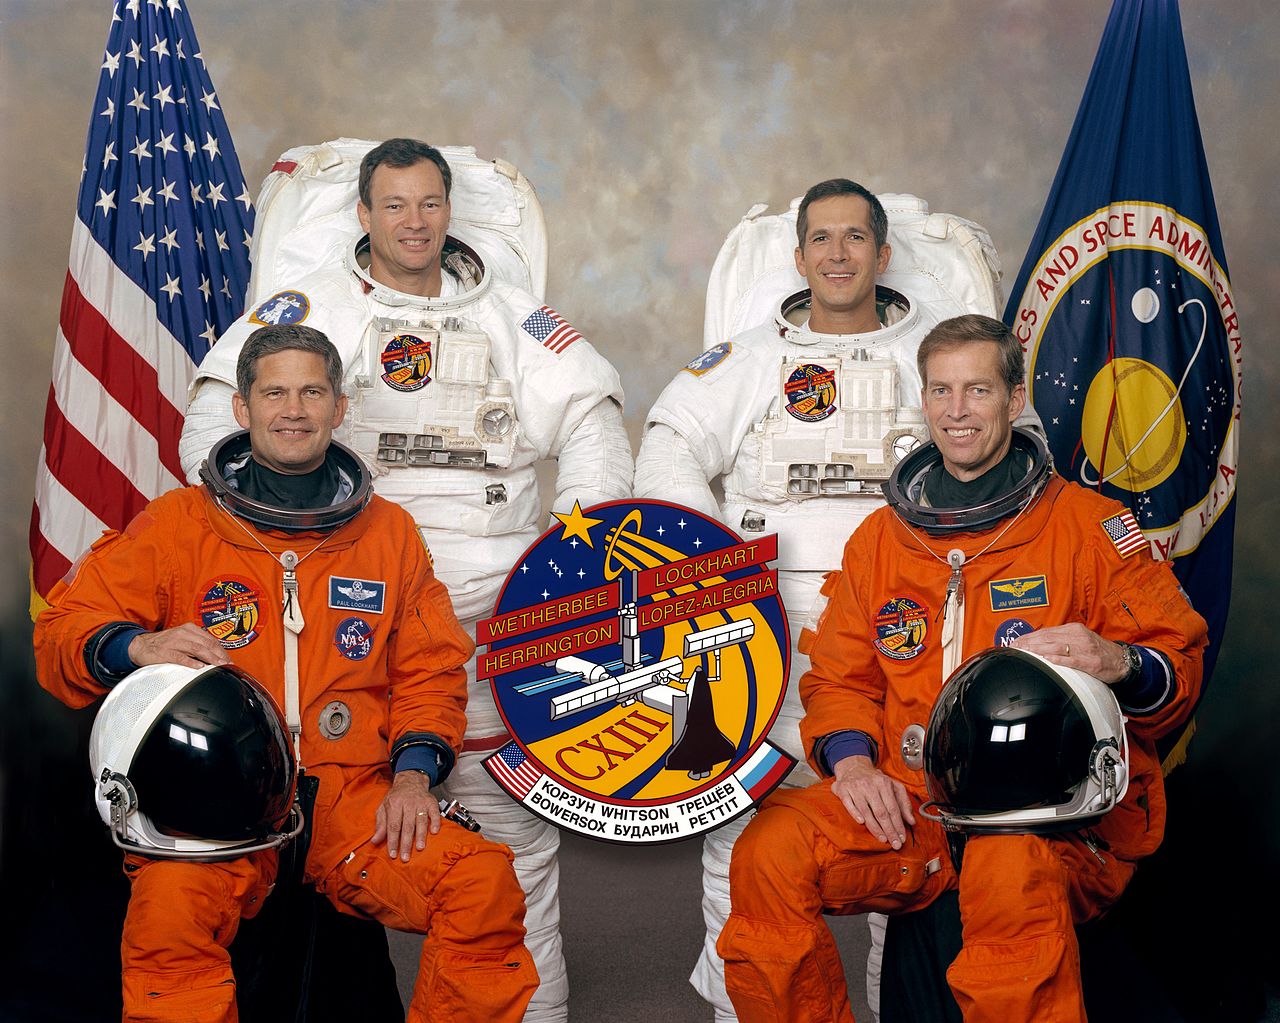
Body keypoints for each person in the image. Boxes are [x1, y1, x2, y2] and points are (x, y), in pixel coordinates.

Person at [179, 138, 633, 1021]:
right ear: (363, 214)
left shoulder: (518, 317)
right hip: (336, 601)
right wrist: (284, 528)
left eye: (429, 205)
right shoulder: (307, 311)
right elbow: (213, 428)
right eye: (395, 206)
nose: (414, 223)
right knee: (308, 830)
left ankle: (524, 1009)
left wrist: (568, 556)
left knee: (511, 837)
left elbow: (593, 417)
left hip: (493, 606)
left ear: (447, 212)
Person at [34, 325, 538, 1023]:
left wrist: (415, 773)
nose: (293, 409)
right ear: (242, 408)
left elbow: (431, 668)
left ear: (339, 407)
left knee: (481, 883)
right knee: (170, 918)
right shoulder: (180, 525)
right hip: (216, 802)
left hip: (350, 795)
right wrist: (133, 646)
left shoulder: (386, 533)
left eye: (311, 391)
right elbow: (61, 632)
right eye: (274, 392)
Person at [714, 313, 1208, 1022]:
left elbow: (1179, 670)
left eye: (977, 390)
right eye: (941, 391)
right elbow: (841, 679)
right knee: (770, 850)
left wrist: (1119, 660)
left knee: (1008, 875)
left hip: (1051, 816)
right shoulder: (883, 540)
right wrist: (853, 764)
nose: (956, 411)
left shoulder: (1089, 529)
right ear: (923, 400)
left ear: (1013, 401)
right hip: (916, 805)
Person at [634, 179, 1038, 1020]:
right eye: (823, 239)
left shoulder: (933, 362)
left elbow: (1006, 459)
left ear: (884, 255)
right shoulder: (745, 360)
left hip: (904, 641)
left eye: (856, 238)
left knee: (903, 832)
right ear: (799, 256)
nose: (839, 254)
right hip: (760, 636)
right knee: (745, 840)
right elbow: (669, 441)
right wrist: (715, 568)